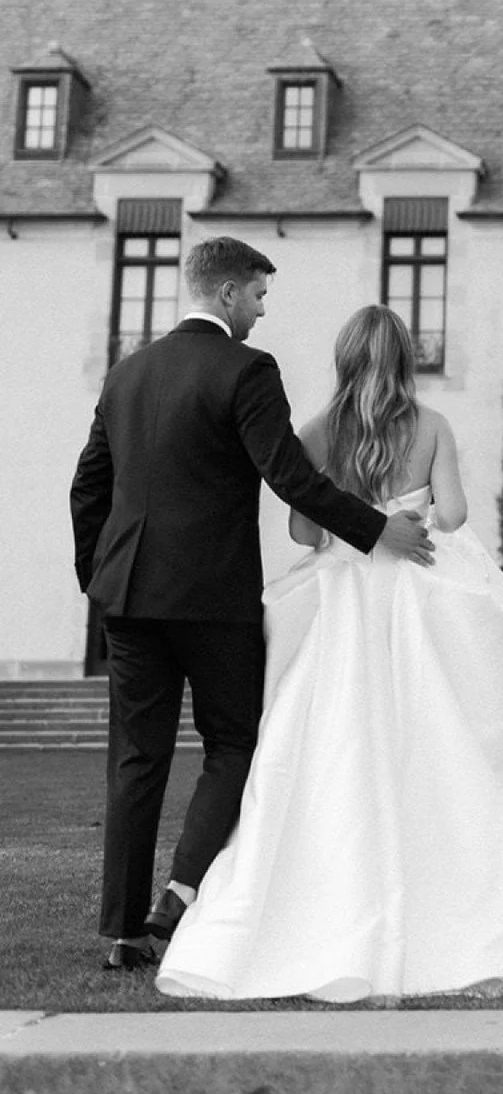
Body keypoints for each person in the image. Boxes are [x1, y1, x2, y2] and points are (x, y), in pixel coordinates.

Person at [156, 304, 503, 1002]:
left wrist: (351, 516)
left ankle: (313, 915)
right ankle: (469, 920)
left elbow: (305, 531)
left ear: (344, 359)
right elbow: (453, 517)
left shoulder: (318, 431)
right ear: (405, 358)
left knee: (326, 749)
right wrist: (411, 510)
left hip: (342, 603)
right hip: (416, 603)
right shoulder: (432, 425)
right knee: (439, 747)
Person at [70, 240, 435, 974]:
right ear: (230, 293)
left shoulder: (126, 373)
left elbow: (88, 486)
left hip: (128, 599)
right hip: (214, 599)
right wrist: (377, 530)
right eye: (260, 295)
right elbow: (292, 478)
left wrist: (98, 579)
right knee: (234, 746)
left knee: (135, 760)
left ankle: (123, 934)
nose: (263, 310)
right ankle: (179, 894)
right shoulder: (248, 370)